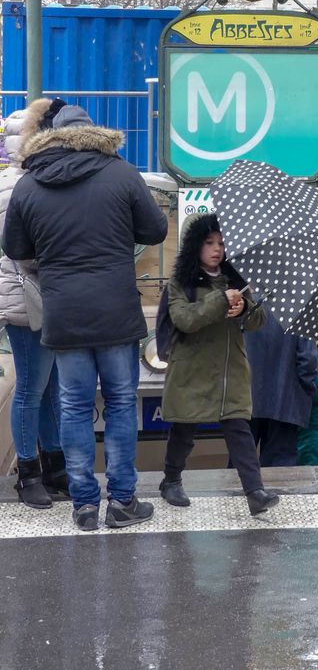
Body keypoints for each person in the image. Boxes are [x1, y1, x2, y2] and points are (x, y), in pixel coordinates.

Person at [2, 99, 168, 531]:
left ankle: (84, 504)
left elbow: (16, 249)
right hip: (115, 309)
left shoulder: (30, 183)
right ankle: (123, 501)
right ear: (94, 133)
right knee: (118, 405)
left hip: (64, 312)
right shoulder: (121, 173)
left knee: (73, 407)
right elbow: (155, 230)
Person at [159, 213, 279, 515]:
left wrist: (242, 310)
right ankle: (171, 480)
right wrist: (219, 301)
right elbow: (185, 320)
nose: (217, 249)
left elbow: (257, 322)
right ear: (194, 246)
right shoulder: (180, 284)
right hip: (191, 372)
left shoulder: (236, 282)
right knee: (184, 431)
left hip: (230, 373)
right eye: (209, 242)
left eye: (222, 243)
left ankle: (255, 491)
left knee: (240, 432)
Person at [0, 104, 66, 509]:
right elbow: (21, 248)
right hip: (25, 296)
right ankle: (28, 474)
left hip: (45, 295)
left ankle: (53, 467)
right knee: (31, 389)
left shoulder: (31, 178)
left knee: (52, 388)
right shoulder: (14, 185)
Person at [246, 311, 318, 467]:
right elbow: (308, 360)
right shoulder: (299, 307)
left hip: (245, 399)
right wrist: (308, 389)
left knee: (241, 466)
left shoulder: (244, 303)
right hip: (286, 400)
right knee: (280, 469)